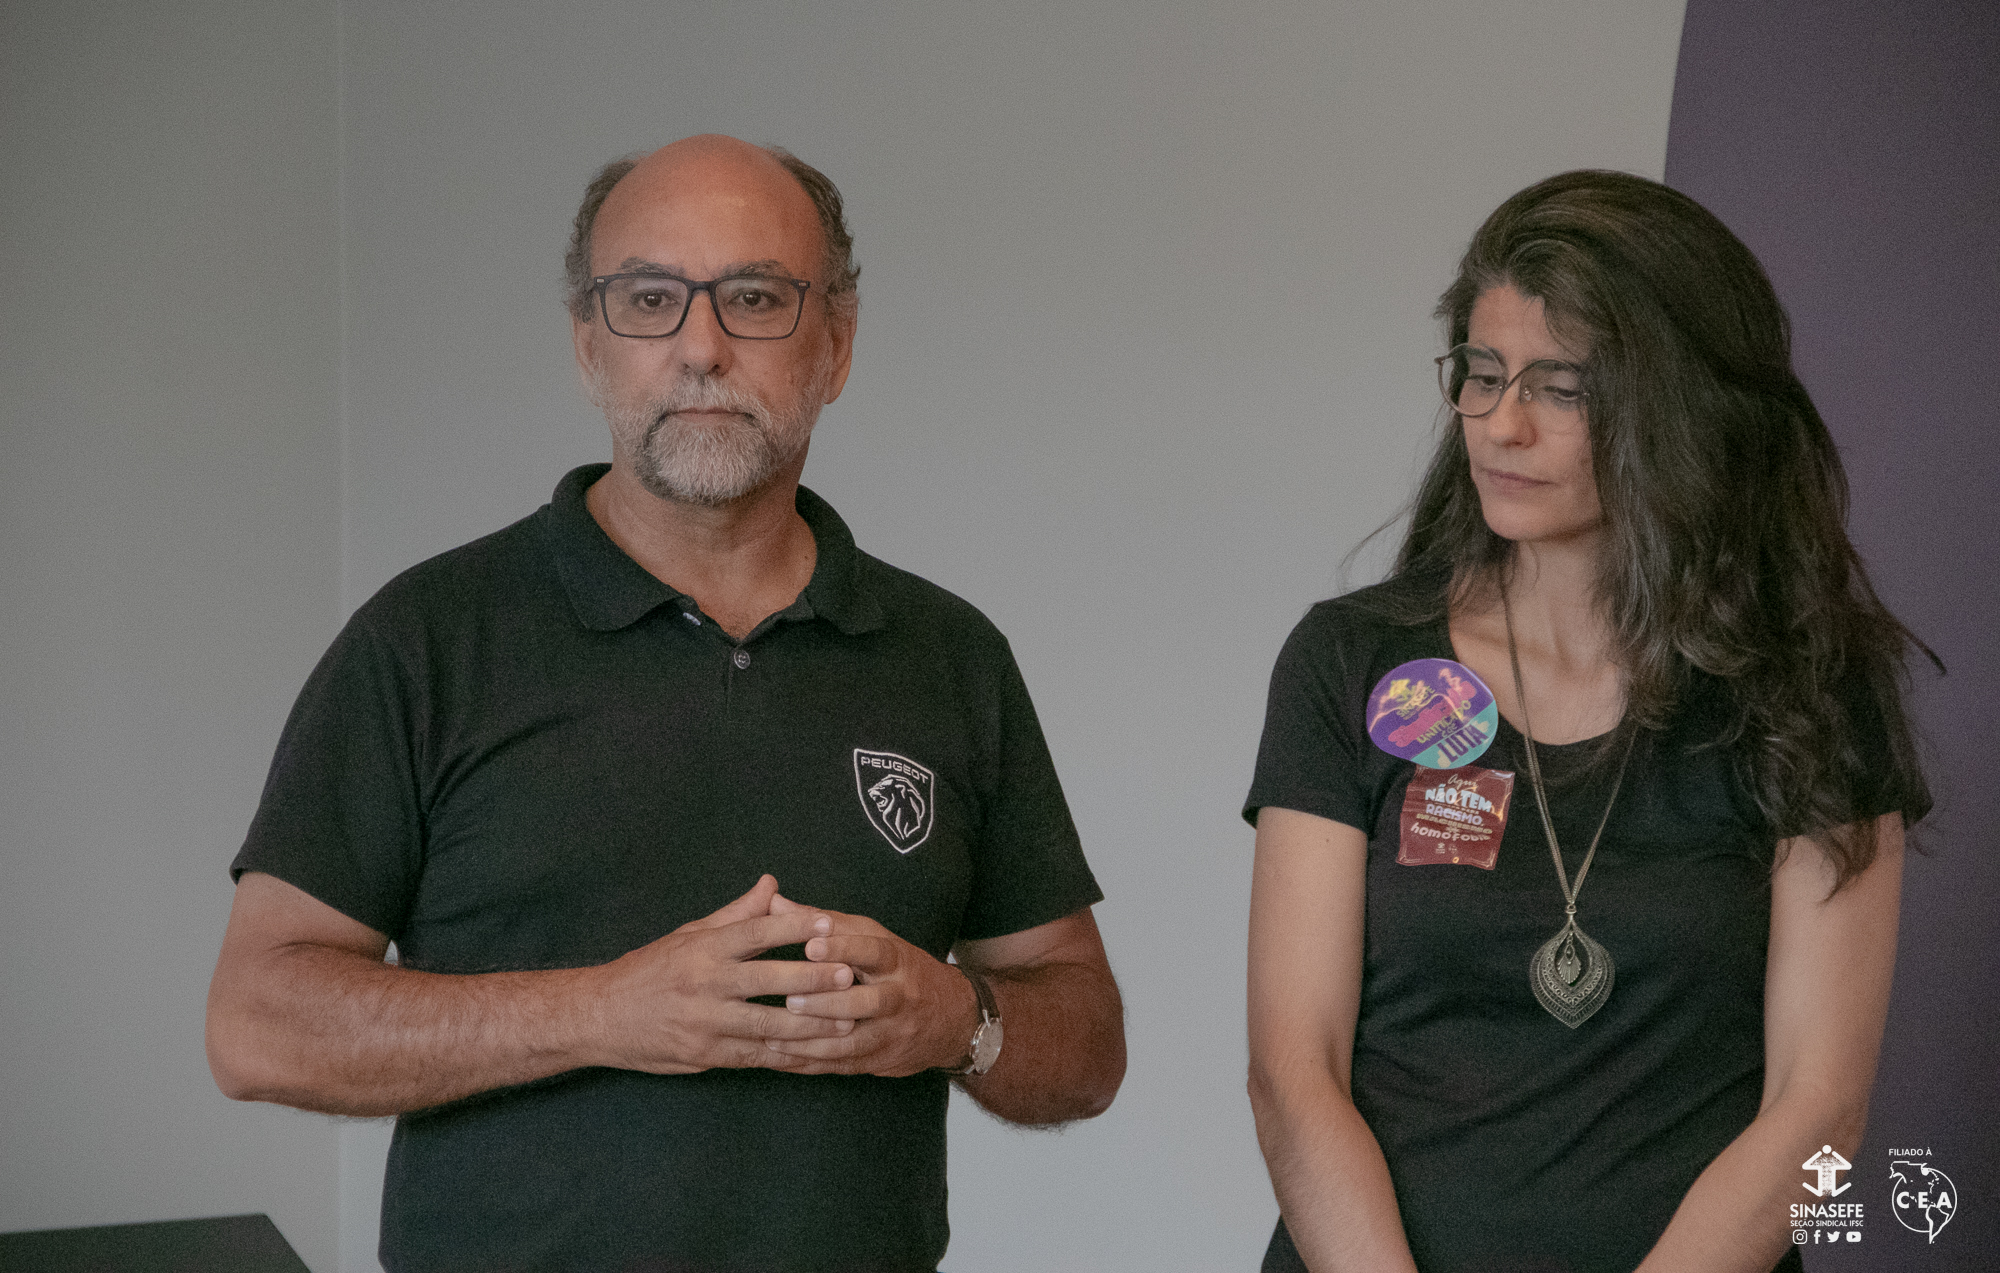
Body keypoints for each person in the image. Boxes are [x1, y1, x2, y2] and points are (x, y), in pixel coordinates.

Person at [205, 135, 1125, 1273]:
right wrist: (604, 1011)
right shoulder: (428, 639)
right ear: (588, 345)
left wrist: (952, 1019)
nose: (701, 347)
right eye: (649, 300)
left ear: (836, 344)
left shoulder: (948, 657)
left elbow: (1085, 1044)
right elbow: (257, 1022)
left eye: (755, 298)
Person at [1243, 170, 1929, 1273]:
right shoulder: (1351, 661)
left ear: (1683, 407)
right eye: (1481, 374)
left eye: (1561, 389)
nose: (1500, 425)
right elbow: (1293, 1073)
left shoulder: (1809, 689)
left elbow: (1821, 1116)